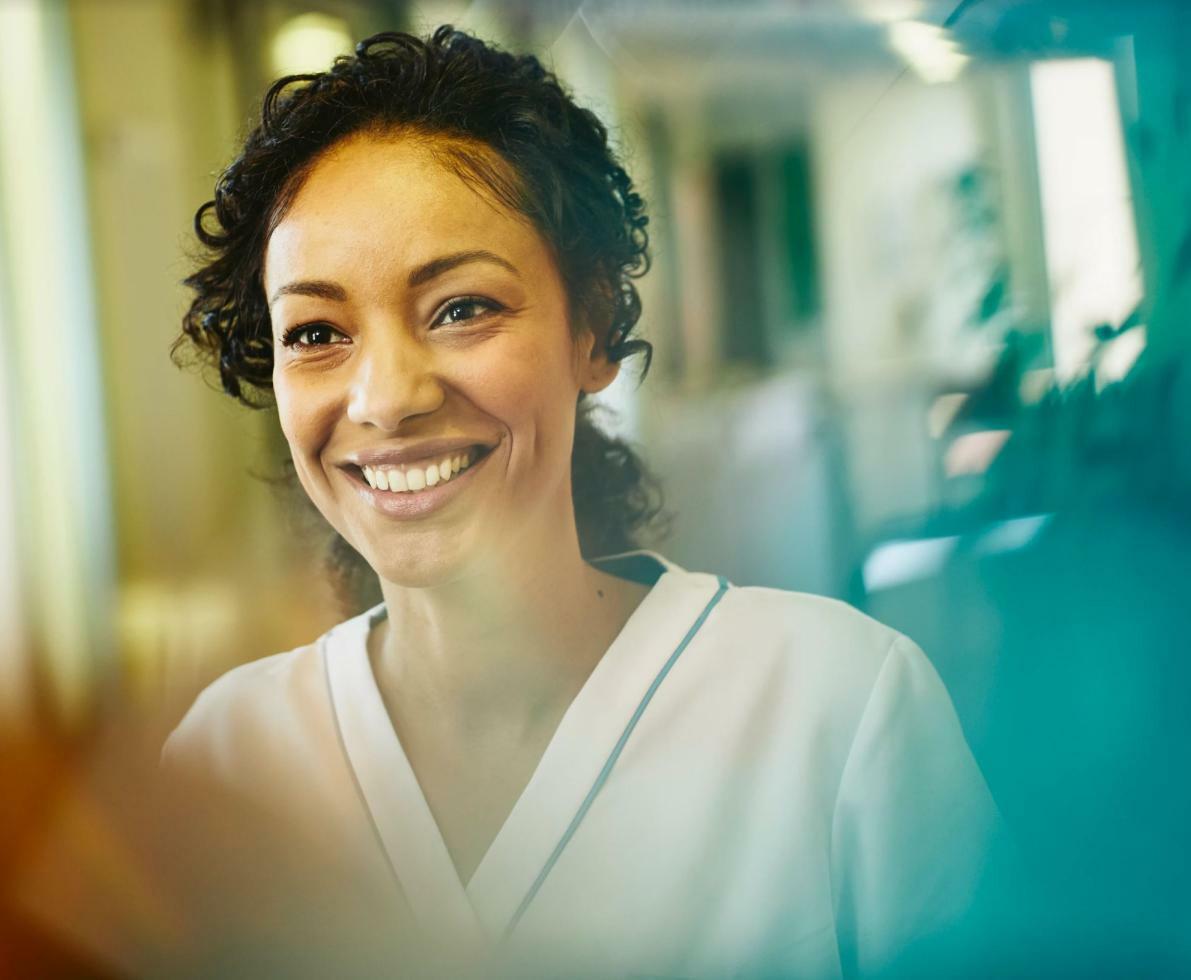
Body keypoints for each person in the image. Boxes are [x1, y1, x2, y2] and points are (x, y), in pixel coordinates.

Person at [164, 25, 1003, 979]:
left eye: (462, 308)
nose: (386, 397)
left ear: (591, 330)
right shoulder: (223, 763)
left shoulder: (837, 705)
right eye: (316, 332)